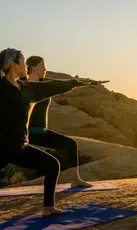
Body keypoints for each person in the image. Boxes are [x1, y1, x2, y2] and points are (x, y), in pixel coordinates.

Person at [0, 48, 89, 230]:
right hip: (0, 149)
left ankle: (48, 207)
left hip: (20, 147)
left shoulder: (26, 88)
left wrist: (74, 83)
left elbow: (51, 87)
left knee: (52, 165)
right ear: (14, 65)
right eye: (22, 61)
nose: (25, 64)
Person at [25, 55, 108, 188]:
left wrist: (91, 83)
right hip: (26, 133)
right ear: (33, 68)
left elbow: (68, 83)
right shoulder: (21, 84)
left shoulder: (46, 84)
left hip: (40, 132)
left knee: (70, 145)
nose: (45, 69)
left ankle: (75, 179)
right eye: (42, 66)